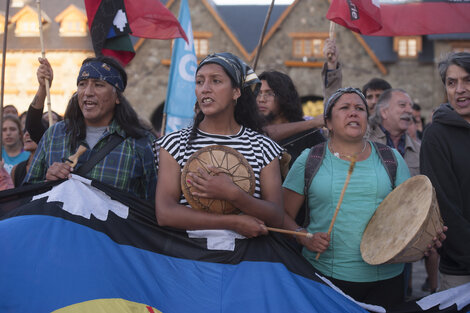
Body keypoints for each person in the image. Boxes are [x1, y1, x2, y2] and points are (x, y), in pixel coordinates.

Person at [282, 87, 429, 307]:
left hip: (388, 278)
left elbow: (410, 213)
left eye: (359, 108)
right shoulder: (309, 159)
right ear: (329, 123)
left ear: (367, 120)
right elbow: (282, 214)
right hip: (326, 278)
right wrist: (302, 235)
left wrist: (427, 233)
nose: (354, 113)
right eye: (344, 108)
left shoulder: (391, 158)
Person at [155, 52, 284, 237]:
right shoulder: (174, 144)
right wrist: (233, 222)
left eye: (216, 81)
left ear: (236, 92)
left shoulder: (264, 148)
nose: (205, 88)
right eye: (199, 82)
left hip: (246, 260)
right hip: (188, 258)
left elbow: (277, 217)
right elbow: (165, 214)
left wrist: (233, 194)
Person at [24, 56, 157, 202]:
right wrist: (47, 183)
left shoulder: (141, 142)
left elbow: (154, 207)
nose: (87, 92)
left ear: (117, 97)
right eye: (82, 84)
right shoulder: (55, 135)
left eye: (98, 85)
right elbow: (26, 195)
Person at [420, 52, 470, 290]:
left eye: (467, 80)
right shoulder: (436, 135)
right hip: (461, 271)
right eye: (452, 82)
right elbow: (445, 206)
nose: (460, 89)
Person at [257, 71, 325, 165]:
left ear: (284, 97)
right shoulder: (251, 128)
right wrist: (312, 123)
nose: (261, 99)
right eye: (258, 93)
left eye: (269, 93)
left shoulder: (309, 134)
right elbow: (265, 134)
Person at [368, 89, 420, 176]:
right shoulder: (366, 144)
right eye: (402, 105)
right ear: (384, 112)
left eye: (410, 106)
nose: (409, 110)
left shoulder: (419, 150)